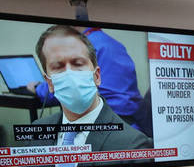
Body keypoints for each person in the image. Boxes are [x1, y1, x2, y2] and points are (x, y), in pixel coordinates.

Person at [19, 25, 151, 155]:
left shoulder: (133, 146)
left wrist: (36, 88)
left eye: (78, 63)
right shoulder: (35, 134)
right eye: (58, 66)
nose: (70, 74)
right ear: (49, 83)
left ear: (97, 76)